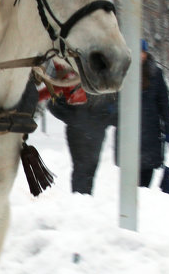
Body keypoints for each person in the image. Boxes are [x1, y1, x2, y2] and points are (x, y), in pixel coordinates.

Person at [43, 59, 116, 195]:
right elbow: (53, 103)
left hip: (97, 129)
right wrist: (73, 119)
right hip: (77, 131)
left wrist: (106, 119)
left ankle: (84, 200)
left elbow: (115, 103)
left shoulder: (104, 76)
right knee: (81, 167)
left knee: (92, 168)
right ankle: (79, 199)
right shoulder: (72, 75)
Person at [137, 39, 169, 187]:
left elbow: (164, 104)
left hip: (150, 132)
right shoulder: (124, 72)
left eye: (141, 52)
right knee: (131, 176)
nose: (139, 56)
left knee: (146, 177)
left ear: (146, 53)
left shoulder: (155, 74)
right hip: (130, 134)